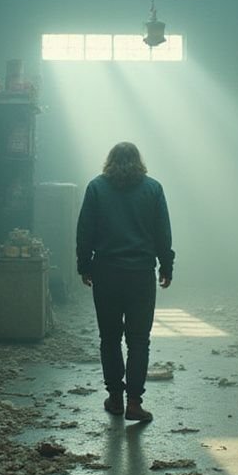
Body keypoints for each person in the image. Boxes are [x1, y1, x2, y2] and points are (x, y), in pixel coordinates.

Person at [76, 142, 174, 422]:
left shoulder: (96, 187)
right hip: (141, 274)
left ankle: (115, 399)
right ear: (139, 161)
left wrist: (84, 265)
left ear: (109, 161)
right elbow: (162, 233)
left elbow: (84, 231)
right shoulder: (153, 189)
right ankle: (134, 402)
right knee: (139, 341)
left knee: (109, 338)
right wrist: (166, 266)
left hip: (106, 271)